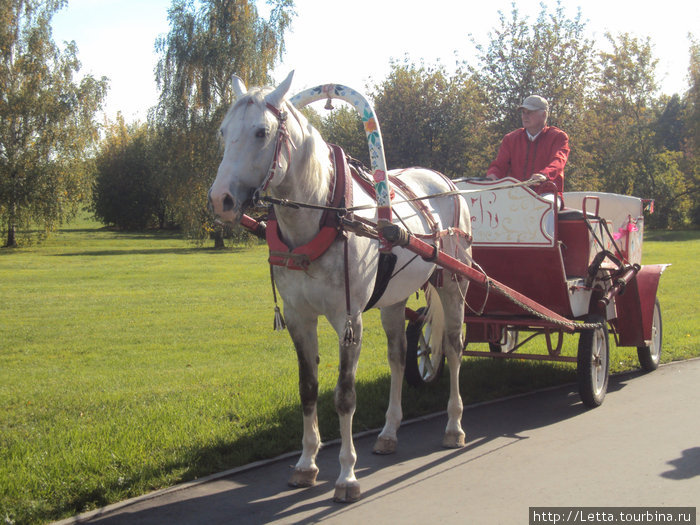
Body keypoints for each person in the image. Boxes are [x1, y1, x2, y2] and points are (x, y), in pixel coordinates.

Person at [486, 95, 569, 200]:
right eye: (523, 112)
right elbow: (500, 165)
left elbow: (558, 161)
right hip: (515, 194)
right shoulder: (510, 138)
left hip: (547, 193)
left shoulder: (558, 137)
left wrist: (544, 175)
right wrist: (493, 175)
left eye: (530, 112)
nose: (525, 116)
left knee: (546, 206)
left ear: (544, 114)